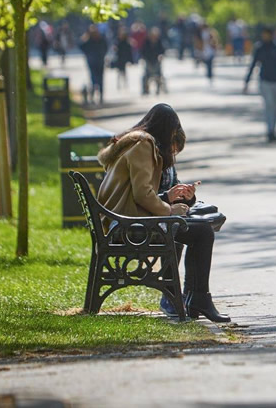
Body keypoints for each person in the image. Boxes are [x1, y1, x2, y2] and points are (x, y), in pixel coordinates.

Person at [96, 104, 230, 322]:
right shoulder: (143, 145)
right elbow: (142, 194)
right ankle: (195, 298)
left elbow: (146, 192)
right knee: (202, 232)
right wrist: (168, 209)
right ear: (168, 132)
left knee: (191, 227)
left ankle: (187, 298)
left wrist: (179, 199)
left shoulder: (139, 143)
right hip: (127, 226)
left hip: (123, 221)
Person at [243, 27, 276, 142]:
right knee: (269, 106)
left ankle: (274, 127)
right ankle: (270, 131)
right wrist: (247, 81)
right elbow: (253, 64)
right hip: (266, 81)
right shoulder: (259, 48)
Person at [79, 25, 109, 105]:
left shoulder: (100, 39)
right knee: (95, 79)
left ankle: (99, 96)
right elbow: (81, 47)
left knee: (97, 79)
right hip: (93, 62)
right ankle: (95, 96)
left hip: (98, 61)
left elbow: (105, 47)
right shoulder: (89, 40)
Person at [141, 27, 166, 95]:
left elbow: (162, 51)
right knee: (145, 77)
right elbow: (143, 51)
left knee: (160, 76)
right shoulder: (146, 42)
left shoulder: (159, 42)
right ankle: (145, 90)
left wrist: (161, 56)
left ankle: (160, 89)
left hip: (156, 62)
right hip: (149, 61)